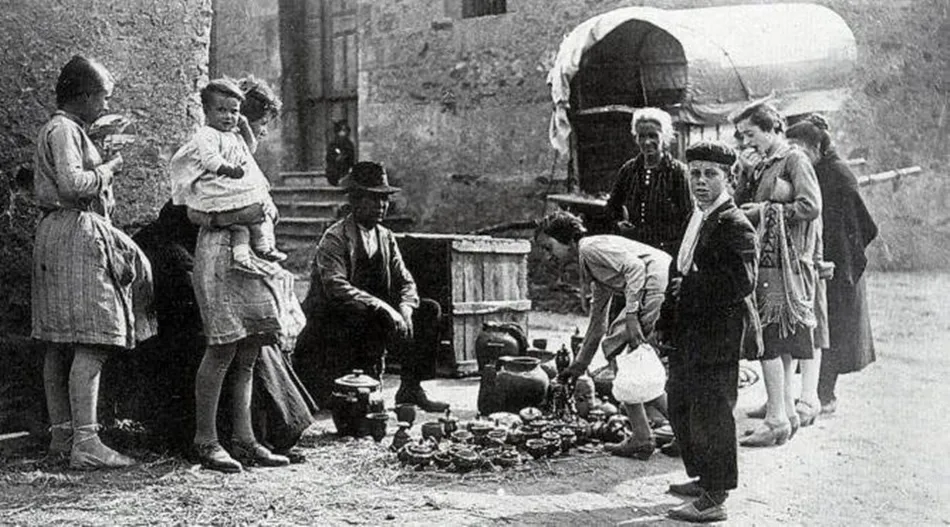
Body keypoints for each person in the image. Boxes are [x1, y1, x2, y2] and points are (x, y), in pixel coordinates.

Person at [32, 55, 156, 469]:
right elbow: (73, 184)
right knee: (92, 337)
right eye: (102, 98)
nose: (104, 106)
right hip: (74, 233)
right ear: (82, 96)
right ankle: (86, 443)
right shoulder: (65, 129)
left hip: (55, 232)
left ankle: (62, 437)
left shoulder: (60, 129)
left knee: (58, 340)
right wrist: (109, 168)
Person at [656, 141, 760, 523]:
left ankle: (715, 495)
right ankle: (702, 477)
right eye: (694, 173)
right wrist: (667, 319)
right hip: (691, 330)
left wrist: (694, 288)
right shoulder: (699, 217)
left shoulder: (734, 224)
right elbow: (678, 271)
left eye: (709, 174)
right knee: (681, 402)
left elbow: (741, 282)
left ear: (728, 177)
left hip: (717, 333)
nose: (700, 181)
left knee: (713, 411)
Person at [293, 161, 448, 412]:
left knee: (429, 311)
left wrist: (406, 308)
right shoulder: (335, 237)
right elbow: (337, 287)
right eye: (373, 199)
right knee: (360, 312)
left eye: (384, 199)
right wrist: (384, 308)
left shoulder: (386, 237)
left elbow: (405, 279)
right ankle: (355, 386)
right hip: (334, 319)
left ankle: (411, 388)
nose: (381, 206)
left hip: (373, 314)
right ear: (354, 201)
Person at [540, 211, 671, 460]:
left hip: (656, 281)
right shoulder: (595, 272)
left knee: (624, 354)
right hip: (655, 282)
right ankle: (658, 433)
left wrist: (632, 316)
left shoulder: (590, 248)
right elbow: (597, 324)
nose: (548, 257)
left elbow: (635, 268)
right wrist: (579, 365)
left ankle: (652, 435)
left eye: (549, 247)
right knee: (620, 351)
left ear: (567, 240)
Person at [732, 101, 822, 447]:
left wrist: (766, 210)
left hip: (785, 264)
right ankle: (784, 411)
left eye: (750, 134)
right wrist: (744, 173)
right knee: (778, 342)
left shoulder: (794, 160)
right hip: (767, 261)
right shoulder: (763, 164)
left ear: (772, 129)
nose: (746, 143)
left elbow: (811, 206)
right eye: (742, 137)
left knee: (769, 337)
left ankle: (775, 420)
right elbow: (743, 203)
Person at [787, 115, 878, 416]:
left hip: (840, 267)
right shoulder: (814, 172)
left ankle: (825, 396)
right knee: (811, 330)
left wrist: (838, 264)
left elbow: (860, 226)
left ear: (817, 147)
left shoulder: (838, 175)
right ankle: (798, 396)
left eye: (800, 148)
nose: (796, 155)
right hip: (820, 263)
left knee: (834, 332)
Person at [169, 78, 286, 270]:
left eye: (234, 111)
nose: (264, 132)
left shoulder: (239, 154)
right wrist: (228, 218)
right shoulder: (209, 156)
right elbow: (191, 212)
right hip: (203, 255)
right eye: (263, 123)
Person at [605, 107, 692, 256]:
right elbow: (612, 208)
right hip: (633, 250)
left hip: (667, 252)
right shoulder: (628, 170)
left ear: (664, 137)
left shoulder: (678, 172)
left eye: (653, 136)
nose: (647, 142)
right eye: (641, 136)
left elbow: (688, 217)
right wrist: (618, 224)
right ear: (635, 138)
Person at [325, 119, 355, 186]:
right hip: (334, 172)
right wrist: (337, 158)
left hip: (345, 171)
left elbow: (351, 160)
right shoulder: (333, 144)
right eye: (341, 131)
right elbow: (329, 158)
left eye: (345, 131)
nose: (343, 133)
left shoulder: (349, 145)